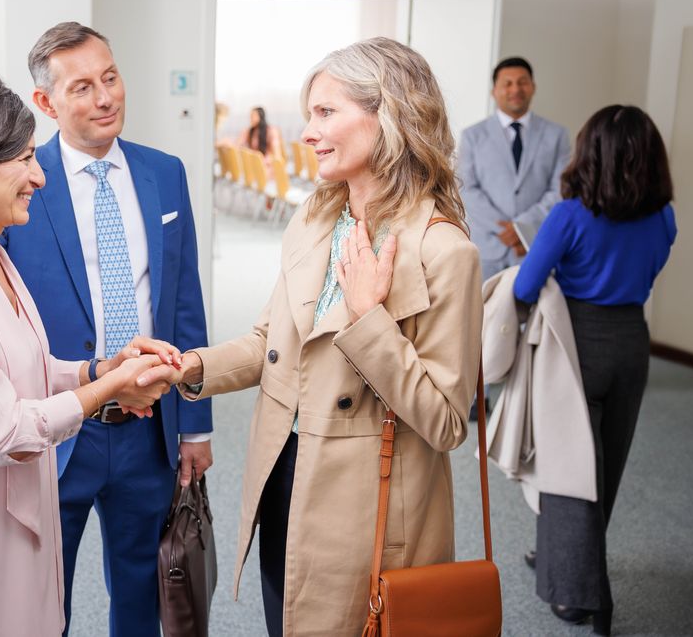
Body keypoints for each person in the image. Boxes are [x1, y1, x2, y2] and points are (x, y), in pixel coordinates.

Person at [139, 37, 482, 636]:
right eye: (309, 113)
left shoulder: (442, 249)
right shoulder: (316, 217)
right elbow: (270, 342)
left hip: (367, 501)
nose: (306, 132)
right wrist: (187, 367)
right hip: (284, 471)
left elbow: (448, 422)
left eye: (326, 113)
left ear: (390, 116)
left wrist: (370, 318)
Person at [0, 22, 213, 636]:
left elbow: (181, 300)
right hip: (39, 443)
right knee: (32, 599)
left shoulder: (160, 175)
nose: (105, 97)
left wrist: (157, 400)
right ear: (46, 102)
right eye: (83, 86)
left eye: (110, 77)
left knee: (133, 591)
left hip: (142, 424)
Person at [514, 105, 676, 636]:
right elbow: (650, 269)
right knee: (607, 464)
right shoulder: (664, 216)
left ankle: (578, 595)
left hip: (574, 345)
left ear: (592, 153)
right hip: (632, 343)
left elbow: (523, 287)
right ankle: (565, 557)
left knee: (570, 471)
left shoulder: (570, 215)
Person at [458, 56, 571, 281]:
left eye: (522, 82)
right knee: (483, 314)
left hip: (535, 247)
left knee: (532, 314)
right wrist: (507, 231)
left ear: (533, 87)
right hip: (488, 248)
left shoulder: (556, 135)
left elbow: (560, 190)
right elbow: (466, 189)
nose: (515, 89)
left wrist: (522, 227)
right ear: (494, 91)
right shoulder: (472, 136)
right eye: (507, 84)